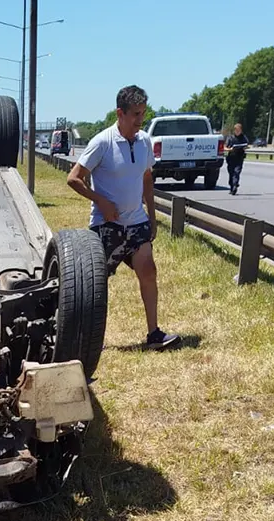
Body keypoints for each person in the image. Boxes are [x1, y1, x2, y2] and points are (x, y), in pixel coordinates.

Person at [66, 85, 182, 350]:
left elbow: (147, 178)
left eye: (143, 113)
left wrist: (152, 215)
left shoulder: (144, 142)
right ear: (120, 113)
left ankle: (154, 334)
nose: (140, 120)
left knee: (148, 271)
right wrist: (101, 201)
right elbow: (74, 179)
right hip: (108, 226)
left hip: (137, 222)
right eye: (135, 114)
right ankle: (88, 339)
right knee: (96, 286)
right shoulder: (102, 143)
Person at [225, 123, 249, 195]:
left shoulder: (244, 137)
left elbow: (247, 145)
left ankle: (235, 185)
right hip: (231, 157)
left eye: (239, 130)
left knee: (237, 172)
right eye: (236, 130)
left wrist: (244, 147)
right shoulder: (230, 138)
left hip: (239, 157)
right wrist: (230, 149)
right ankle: (232, 186)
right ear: (234, 130)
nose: (238, 132)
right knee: (231, 172)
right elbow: (225, 147)